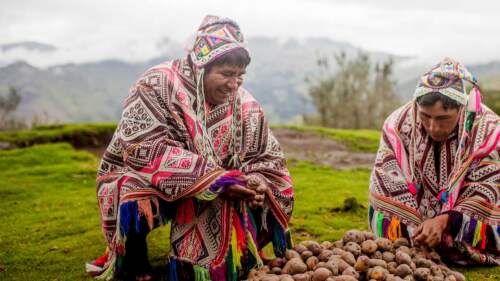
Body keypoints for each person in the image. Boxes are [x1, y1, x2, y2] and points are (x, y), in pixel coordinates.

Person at [86, 15, 294, 280]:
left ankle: (240, 248)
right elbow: (143, 149)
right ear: (201, 66)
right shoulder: (156, 85)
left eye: (240, 76)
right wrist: (215, 180)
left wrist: (255, 182)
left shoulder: (244, 104)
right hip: (143, 175)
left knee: (275, 185)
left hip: (214, 181)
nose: (234, 84)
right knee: (132, 192)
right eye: (227, 74)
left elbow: (266, 156)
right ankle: (134, 253)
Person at [368, 58, 499, 265]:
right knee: (397, 242)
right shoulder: (398, 125)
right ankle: (415, 245)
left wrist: (447, 220)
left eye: (443, 119)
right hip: (414, 218)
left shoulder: (487, 130)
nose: (433, 127)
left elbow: (487, 187)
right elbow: (387, 178)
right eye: (425, 116)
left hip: (458, 224)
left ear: (461, 109)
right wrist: (417, 228)